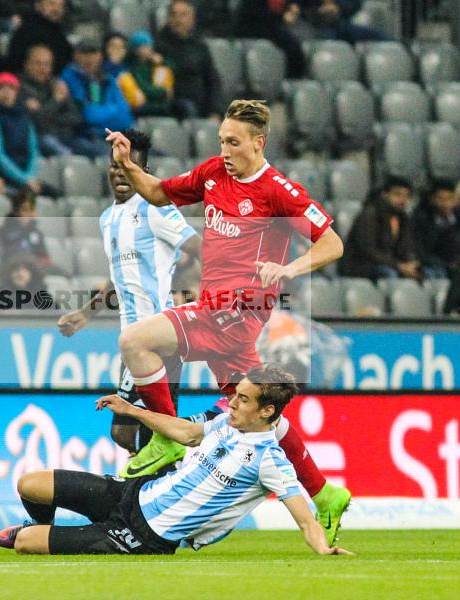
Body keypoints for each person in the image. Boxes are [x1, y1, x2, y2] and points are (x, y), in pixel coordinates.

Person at [106, 99, 350, 544]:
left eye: (234, 143)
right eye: (221, 141)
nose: (225, 151)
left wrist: (289, 270)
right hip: (220, 314)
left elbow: (332, 243)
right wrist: (127, 165)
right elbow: (160, 192)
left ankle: (165, 436)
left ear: (259, 143)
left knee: (136, 340)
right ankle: (324, 491)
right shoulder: (213, 174)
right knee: (258, 413)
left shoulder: (279, 191)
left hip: (235, 310)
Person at [0, 365, 353, 557]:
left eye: (243, 400)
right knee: (29, 484)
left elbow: (305, 519)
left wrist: (322, 547)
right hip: (131, 493)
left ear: (267, 411)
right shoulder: (224, 425)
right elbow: (183, 432)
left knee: (24, 544)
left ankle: (34, 533)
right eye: (235, 396)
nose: (233, 403)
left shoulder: (270, 461)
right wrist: (131, 409)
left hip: (142, 535)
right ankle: (35, 524)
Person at [58, 129, 200, 455]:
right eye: (115, 168)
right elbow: (117, 278)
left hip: (160, 335)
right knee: (137, 433)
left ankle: (157, 488)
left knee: (131, 430)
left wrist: (201, 294)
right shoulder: (108, 219)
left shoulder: (156, 208)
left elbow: (199, 247)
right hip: (133, 341)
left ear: (143, 172)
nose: (120, 174)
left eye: (128, 168)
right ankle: (159, 485)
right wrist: (85, 313)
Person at [0, 72, 59, 198]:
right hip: (5, 176)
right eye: (2, 88)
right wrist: (24, 179)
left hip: (26, 175)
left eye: (11, 88)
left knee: (55, 195)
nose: (6, 92)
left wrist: (30, 176)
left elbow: (33, 151)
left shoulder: (25, 117)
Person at [338, 176, 421, 281]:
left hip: (389, 263)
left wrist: (411, 262)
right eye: (397, 194)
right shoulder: (369, 215)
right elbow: (368, 251)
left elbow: (406, 247)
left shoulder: (403, 218)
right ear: (385, 194)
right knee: (389, 274)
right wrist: (398, 265)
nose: (402, 200)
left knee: (425, 273)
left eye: (406, 196)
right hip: (360, 266)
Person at [62, 39, 134, 155]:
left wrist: (104, 112)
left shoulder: (108, 79)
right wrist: (113, 108)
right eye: (84, 53)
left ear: (100, 56)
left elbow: (126, 117)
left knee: (150, 155)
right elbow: (89, 116)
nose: (89, 58)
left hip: (115, 136)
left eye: (93, 53)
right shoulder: (69, 78)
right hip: (84, 137)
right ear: (76, 55)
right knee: (113, 159)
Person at [155, 0, 224, 119]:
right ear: (168, 18)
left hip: (202, 107)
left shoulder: (200, 46)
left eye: (183, 15)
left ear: (192, 19)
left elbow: (212, 80)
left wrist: (215, 111)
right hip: (174, 108)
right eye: (174, 14)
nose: (178, 20)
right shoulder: (157, 45)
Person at [17, 45, 85, 158]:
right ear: (26, 64)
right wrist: (56, 101)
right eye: (38, 63)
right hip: (38, 139)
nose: (42, 69)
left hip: (66, 136)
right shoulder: (19, 87)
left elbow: (76, 117)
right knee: (69, 157)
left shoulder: (56, 85)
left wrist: (47, 115)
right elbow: (35, 122)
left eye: (47, 64)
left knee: (104, 153)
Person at [234, 1, 306, 79]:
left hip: (269, 27)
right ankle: (291, 78)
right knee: (290, 45)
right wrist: (282, 17)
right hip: (252, 30)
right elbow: (256, 16)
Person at [6, 0, 72, 74]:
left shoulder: (58, 32)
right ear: (38, 6)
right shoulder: (27, 30)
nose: (57, 9)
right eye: (51, 4)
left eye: (61, 6)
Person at [0, 189, 53, 272]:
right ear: (15, 212)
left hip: (35, 271)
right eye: (25, 210)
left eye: (32, 210)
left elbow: (45, 258)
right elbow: (1, 259)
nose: (30, 215)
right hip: (13, 272)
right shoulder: (2, 233)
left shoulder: (37, 233)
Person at [411, 180, 460, 279]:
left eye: (449, 199)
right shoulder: (421, 221)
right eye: (440, 198)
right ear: (432, 199)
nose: (445, 203)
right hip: (433, 266)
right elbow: (421, 251)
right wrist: (445, 265)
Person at [124, 31, 178, 118]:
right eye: (141, 47)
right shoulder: (134, 67)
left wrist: (162, 62)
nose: (145, 50)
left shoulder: (154, 64)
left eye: (147, 46)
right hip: (144, 102)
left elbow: (174, 69)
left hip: (159, 100)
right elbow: (143, 87)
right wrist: (164, 92)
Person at [298, 0, 390, 44]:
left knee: (383, 39)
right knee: (331, 45)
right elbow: (298, 9)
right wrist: (319, 11)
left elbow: (355, 4)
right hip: (313, 26)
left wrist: (338, 7)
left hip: (340, 24)